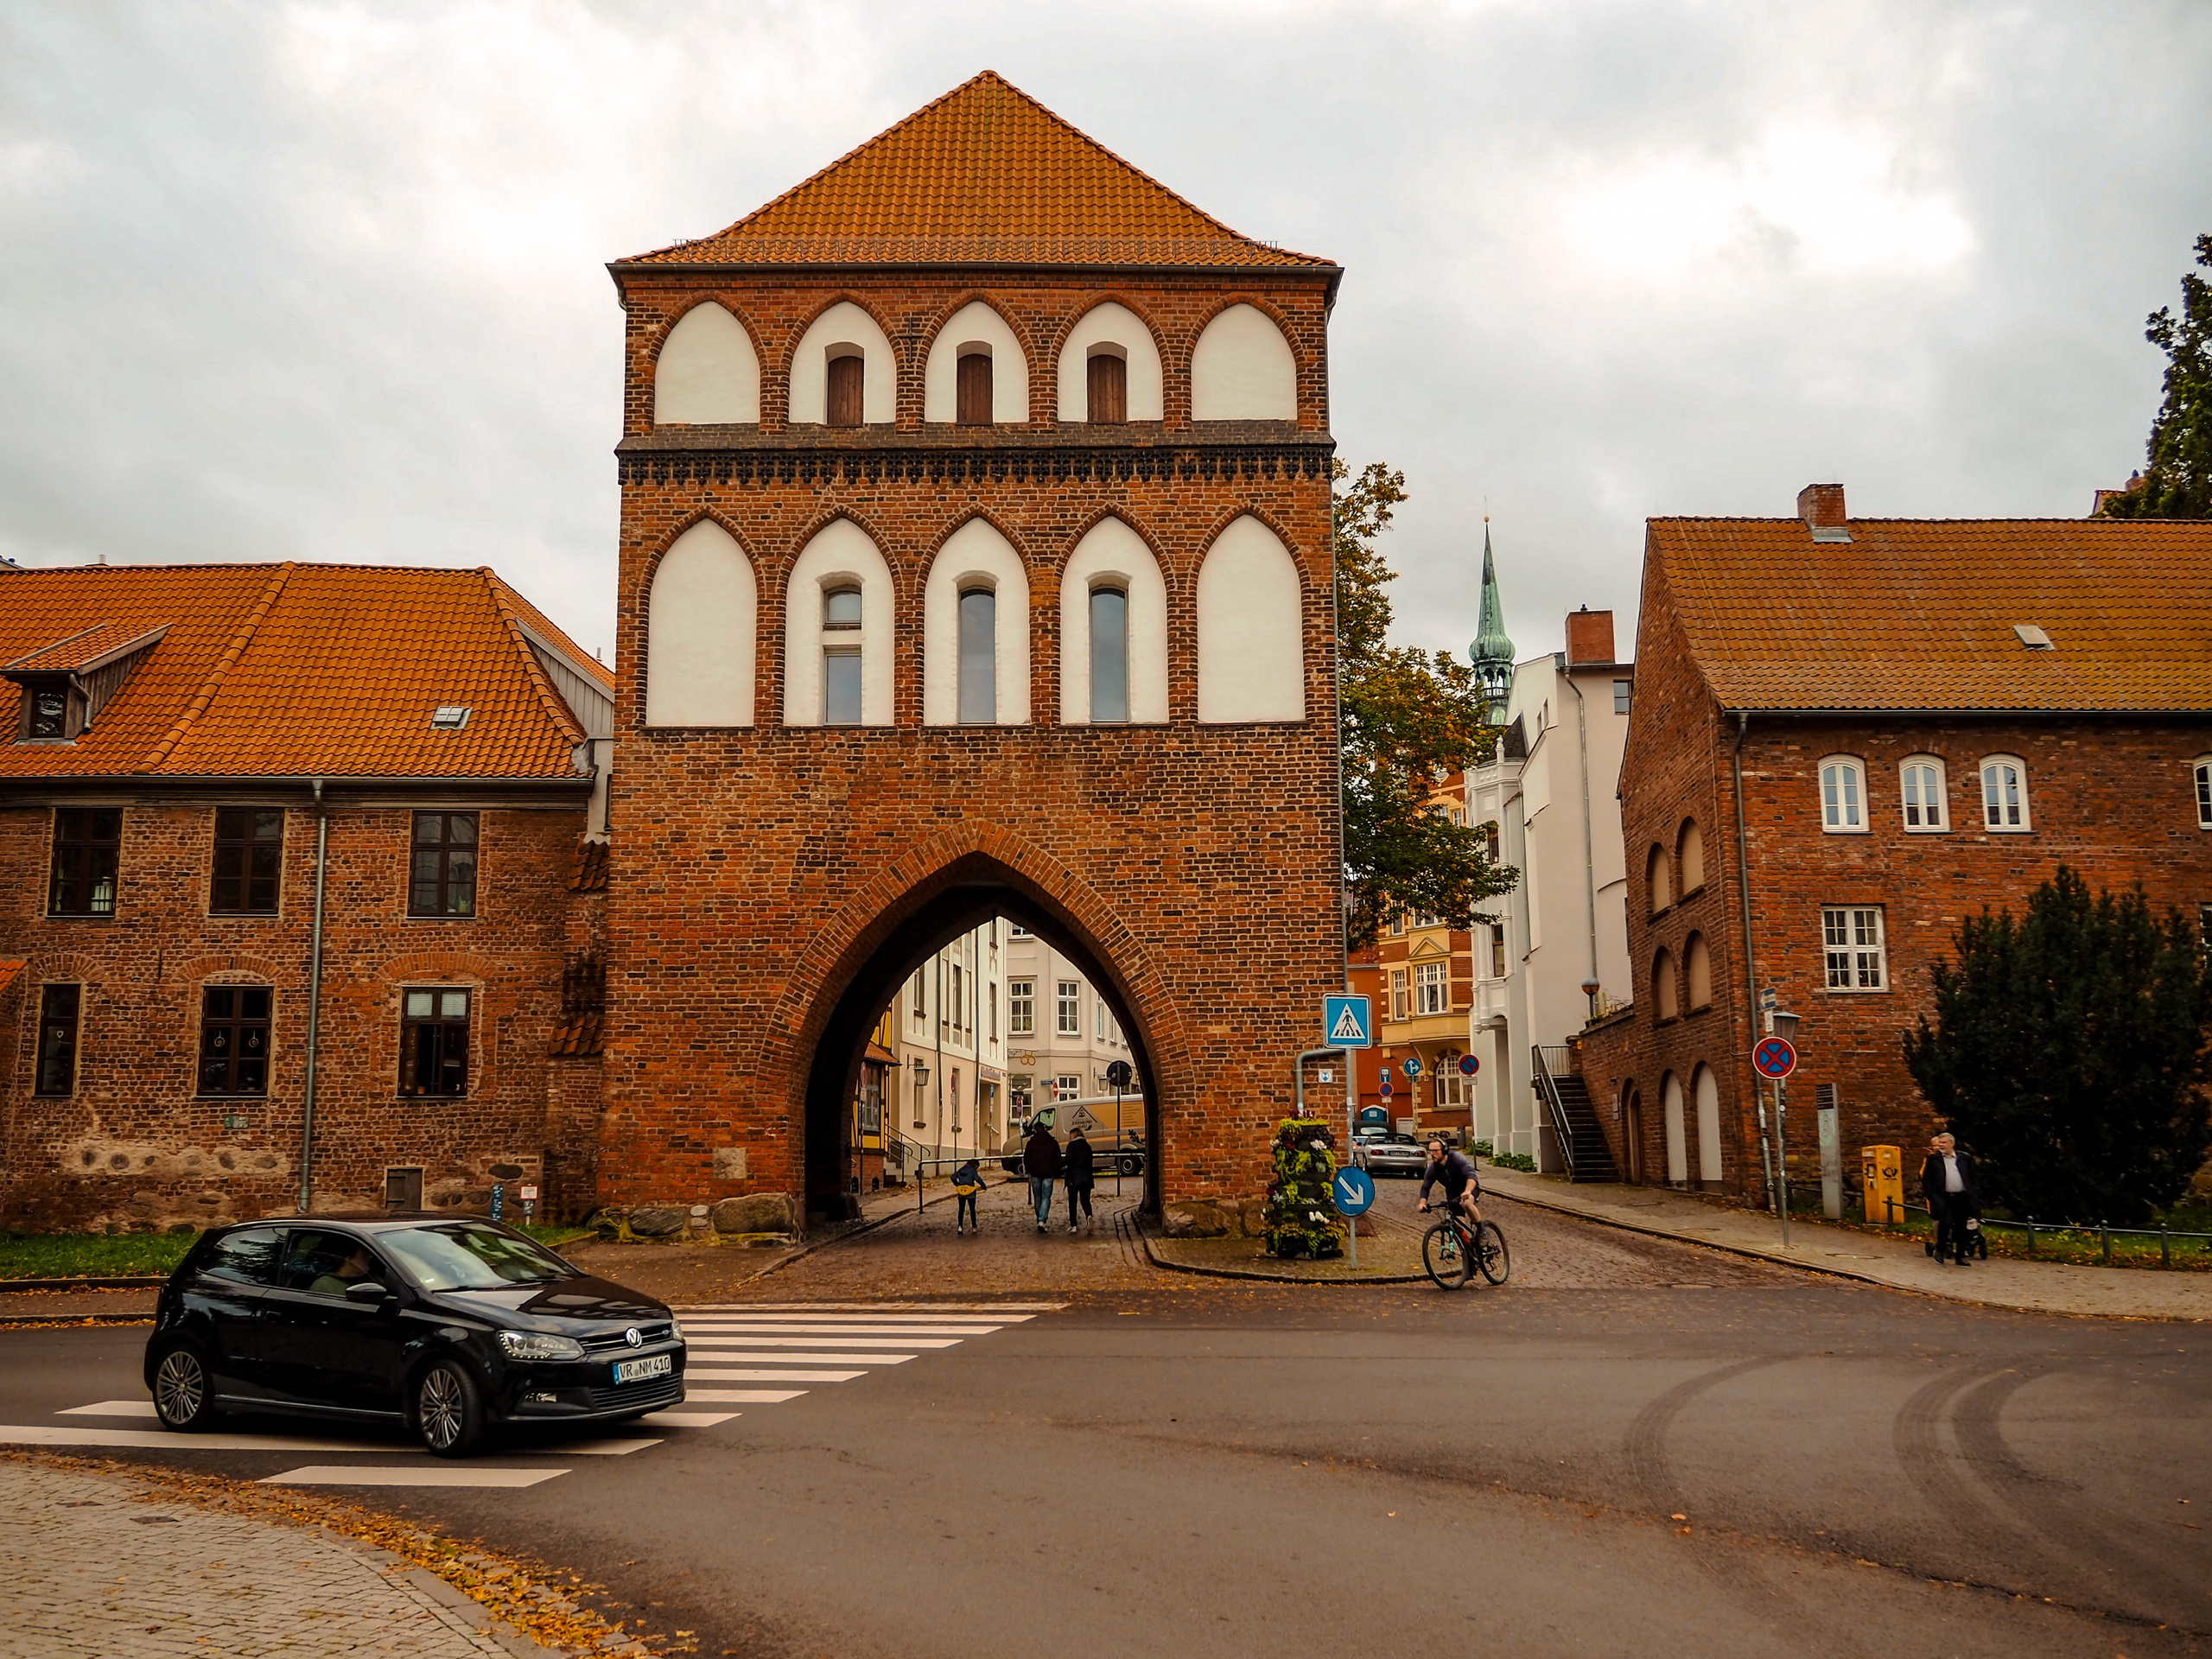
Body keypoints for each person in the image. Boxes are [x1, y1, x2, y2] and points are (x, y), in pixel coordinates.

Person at [1919, 1131, 1980, 1266]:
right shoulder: (1934, 1159)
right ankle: (1940, 1249)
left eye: (1943, 1143)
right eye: (1939, 1143)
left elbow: (1973, 1176)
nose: (1940, 1145)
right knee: (1945, 1223)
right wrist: (1932, 1195)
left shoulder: (1964, 1158)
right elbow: (1926, 1179)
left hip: (1962, 1196)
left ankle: (1960, 1255)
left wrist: (1973, 1191)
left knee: (1961, 1226)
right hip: (1944, 1197)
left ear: (1952, 1144)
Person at [1415, 1136, 1483, 1230]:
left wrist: (1467, 1191)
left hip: (1469, 1187)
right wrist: (1422, 1203)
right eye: (1430, 1151)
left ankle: (1481, 1231)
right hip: (1452, 1193)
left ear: (1444, 1150)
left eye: (1435, 1151)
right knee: (1457, 1225)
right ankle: (1467, 1244)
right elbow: (1426, 1187)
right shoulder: (1433, 1169)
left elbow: (1471, 1176)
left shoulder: (1457, 1159)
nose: (1432, 1154)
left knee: (1466, 1203)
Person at [1024, 1119, 1064, 1232]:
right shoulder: (1052, 1143)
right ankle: (1042, 1220)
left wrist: (1030, 1169)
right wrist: (1055, 1169)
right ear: (1045, 1129)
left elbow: (1026, 1159)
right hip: (1048, 1174)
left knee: (1037, 1197)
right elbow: (1058, 1158)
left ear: (1035, 1130)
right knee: (1046, 1197)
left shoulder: (1031, 1143)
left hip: (1035, 1173)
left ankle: (1039, 1219)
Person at [308, 1240, 378, 1297]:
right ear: (349, 1260)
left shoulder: (372, 1279)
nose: (370, 1257)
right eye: (364, 1255)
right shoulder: (324, 1286)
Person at [1064, 1129, 1096, 1232]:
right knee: (1085, 1200)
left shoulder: (1071, 1147)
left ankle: (1074, 1225)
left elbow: (1068, 1161)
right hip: (1086, 1177)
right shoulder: (1087, 1147)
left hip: (1073, 1177)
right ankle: (1089, 1216)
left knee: (1072, 1202)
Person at [951, 1157, 985, 1236]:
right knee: (972, 1210)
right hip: (971, 1192)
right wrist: (983, 1186)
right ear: (975, 1165)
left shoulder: (961, 1170)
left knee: (961, 1210)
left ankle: (960, 1227)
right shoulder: (973, 1171)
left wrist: (958, 1185)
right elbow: (978, 1179)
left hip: (961, 1192)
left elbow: (953, 1177)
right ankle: (974, 1226)